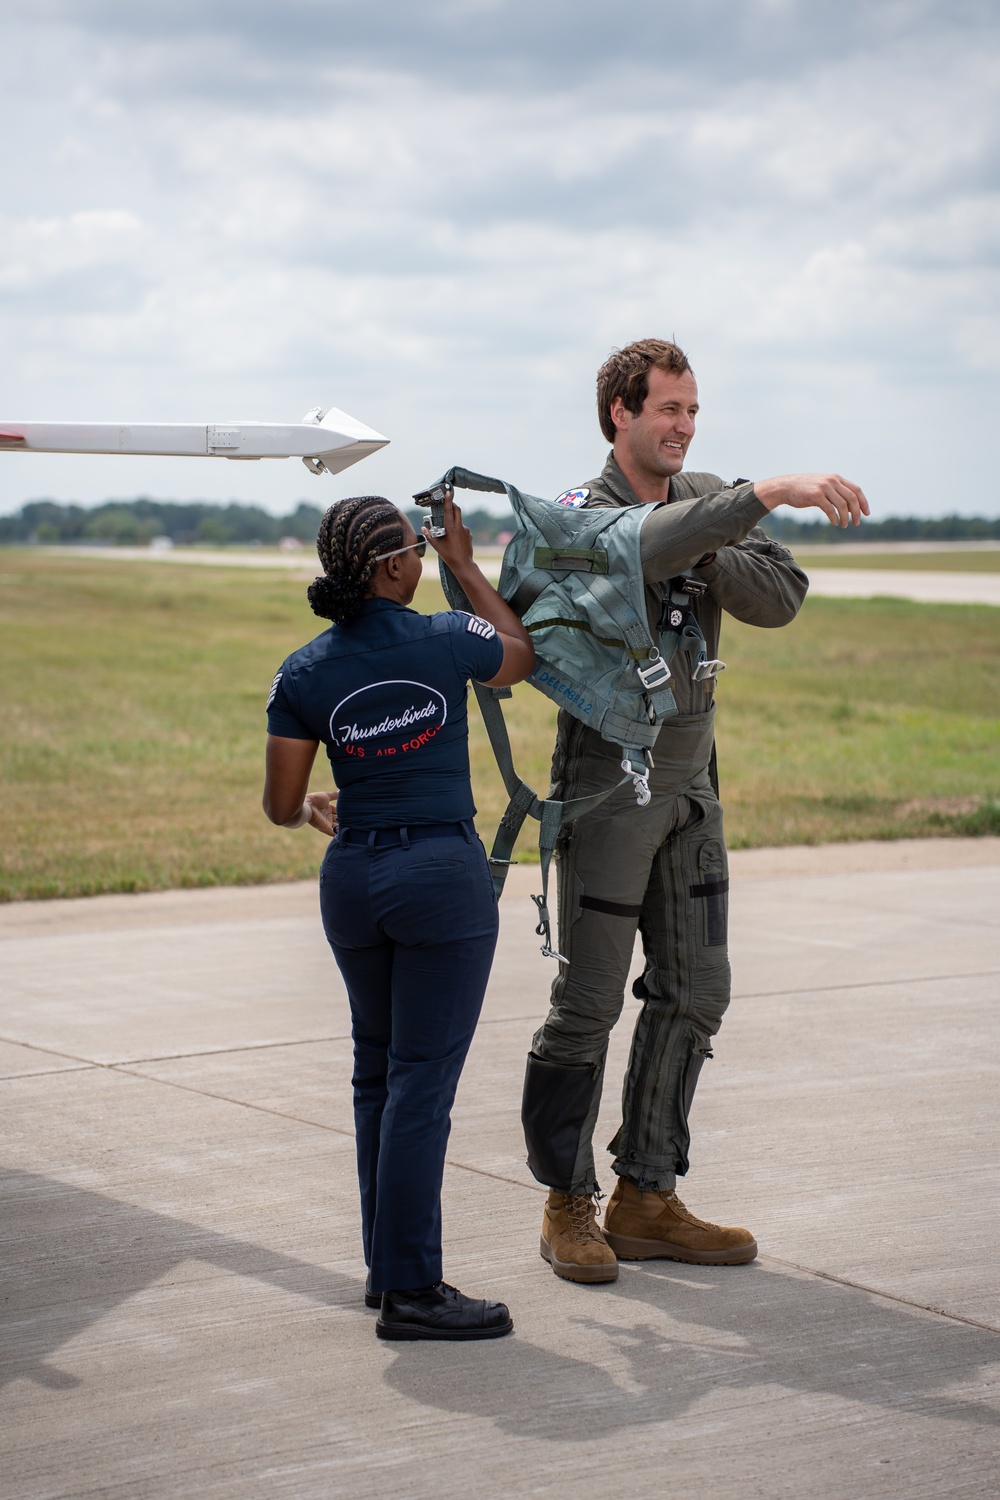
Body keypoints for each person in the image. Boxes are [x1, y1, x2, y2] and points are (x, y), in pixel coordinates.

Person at [523, 338, 869, 1283]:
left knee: (697, 991)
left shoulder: (706, 500)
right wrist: (731, 512)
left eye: (691, 411)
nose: (681, 427)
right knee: (587, 1004)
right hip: (608, 784)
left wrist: (708, 531)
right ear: (618, 416)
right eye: (666, 409)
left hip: (692, 784)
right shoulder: (578, 517)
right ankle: (567, 1204)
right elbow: (614, 564)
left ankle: (647, 1195)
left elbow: (781, 597)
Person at [263, 491, 534, 1339]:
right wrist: (463, 563)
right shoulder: (445, 638)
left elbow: (279, 805)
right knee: (422, 1084)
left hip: (353, 882)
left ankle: (390, 1275)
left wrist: (318, 807)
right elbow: (520, 657)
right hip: (439, 880)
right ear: (391, 567)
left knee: (376, 1075)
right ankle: (415, 1292)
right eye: (413, 553)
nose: (420, 563)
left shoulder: (301, 672)